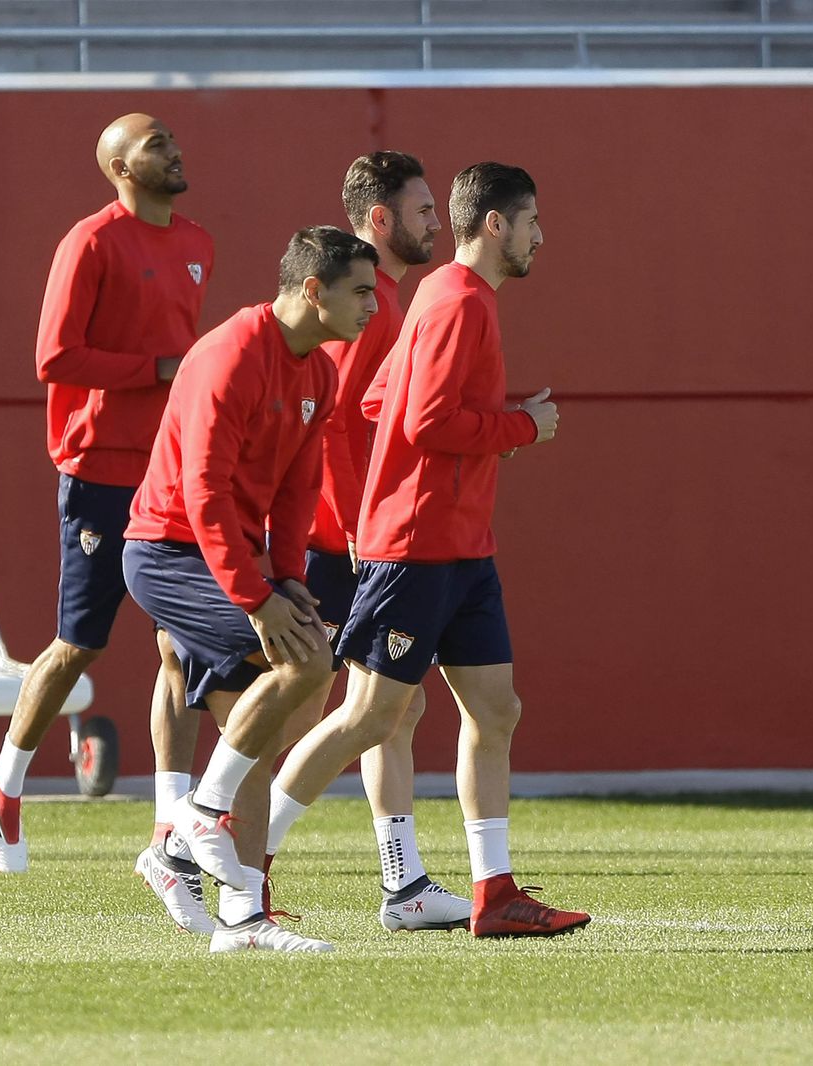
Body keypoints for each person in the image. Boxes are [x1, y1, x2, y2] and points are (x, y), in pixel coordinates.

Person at [262, 163, 590, 938]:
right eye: (532, 221)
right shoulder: (458, 302)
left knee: (496, 710)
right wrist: (520, 427)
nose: (542, 236)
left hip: (463, 546)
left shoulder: (445, 295)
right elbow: (424, 421)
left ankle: (494, 892)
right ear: (496, 225)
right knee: (368, 717)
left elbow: (384, 400)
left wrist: (484, 434)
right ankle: (244, 850)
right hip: (415, 550)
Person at [219, 152, 472, 932]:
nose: (436, 224)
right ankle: (224, 861)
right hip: (342, 544)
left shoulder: (384, 302)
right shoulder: (375, 307)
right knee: (307, 712)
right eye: (423, 211)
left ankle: (402, 882)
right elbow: (330, 423)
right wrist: (360, 522)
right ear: (380, 219)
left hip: (347, 536)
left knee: (394, 707)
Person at [122, 226, 380, 954]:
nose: (372, 306)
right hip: (168, 553)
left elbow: (299, 486)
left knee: (255, 734)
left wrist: (289, 578)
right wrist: (256, 598)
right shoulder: (231, 355)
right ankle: (195, 821)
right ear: (313, 291)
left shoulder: (320, 372)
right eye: (360, 291)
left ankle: (240, 918)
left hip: (227, 556)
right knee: (309, 662)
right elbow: (201, 492)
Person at [0, 115, 209, 901]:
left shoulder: (197, 242)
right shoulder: (91, 242)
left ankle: (170, 825)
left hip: (171, 470)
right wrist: (157, 368)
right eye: (155, 143)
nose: (173, 149)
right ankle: (4, 782)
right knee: (80, 645)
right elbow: (55, 356)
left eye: (171, 138)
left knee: (181, 646)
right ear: (119, 166)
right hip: (99, 468)